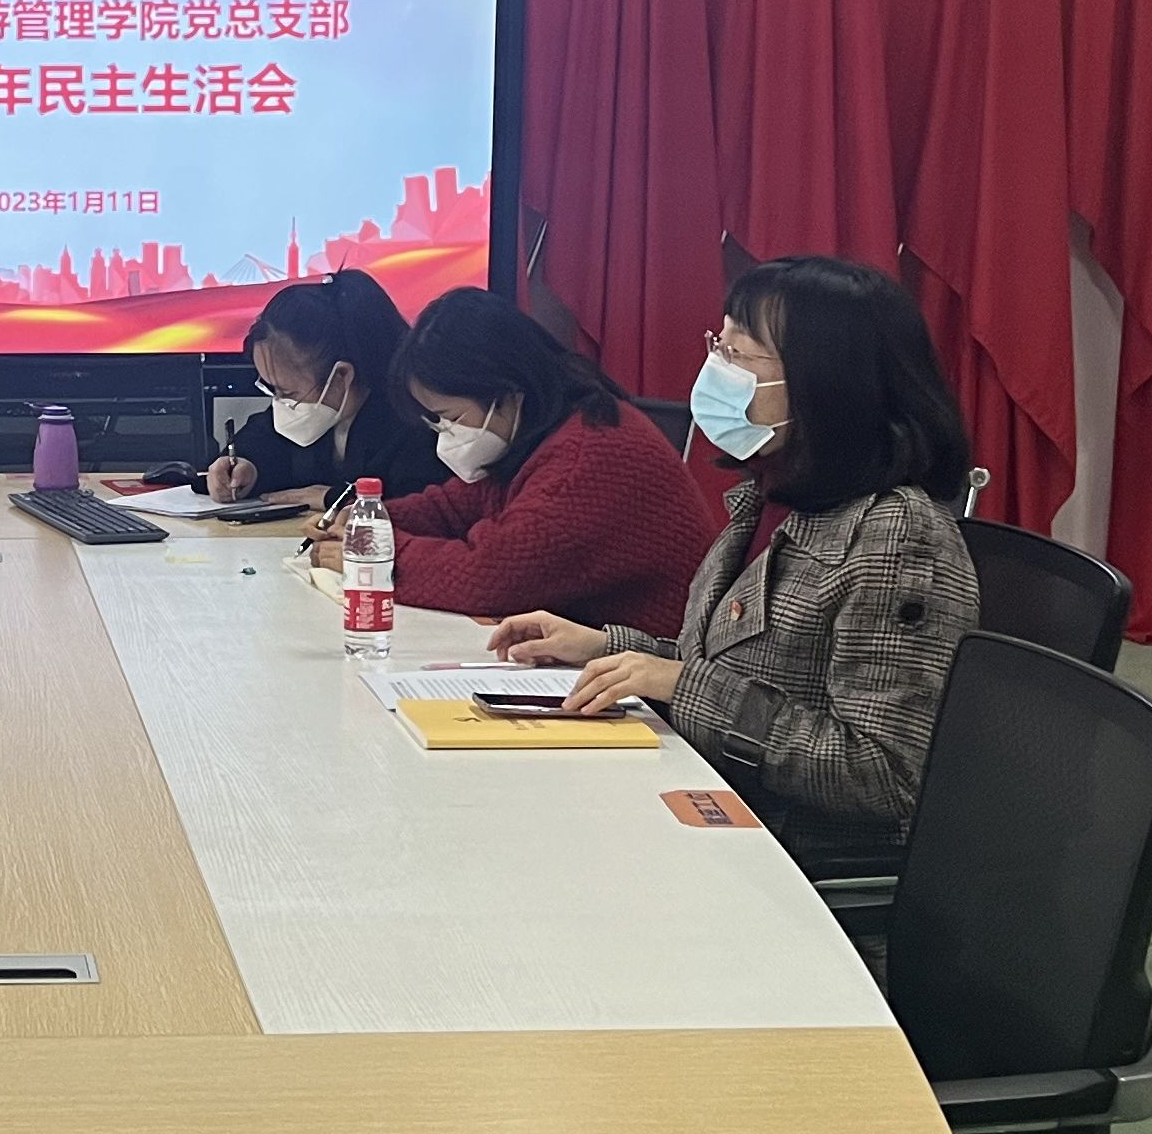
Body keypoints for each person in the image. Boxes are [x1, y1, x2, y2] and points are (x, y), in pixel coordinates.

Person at [491, 256, 978, 881]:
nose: (716, 368)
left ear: (825, 381)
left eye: (740, 354)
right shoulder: (773, 496)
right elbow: (738, 668)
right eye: (718, 345)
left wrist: (678, 684)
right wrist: (607, 647)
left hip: (786, 863)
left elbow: (882, 775)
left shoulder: (897, 536)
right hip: (706, 805)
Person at [314, 286, 714, 635]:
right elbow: (455, 507)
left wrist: (375, 555)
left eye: (450, 417)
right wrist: (367, 521)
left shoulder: (589, 456)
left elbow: (487, 577)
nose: (444, 431)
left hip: (652, 673)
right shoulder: (541, 432)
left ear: (506, 393)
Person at [200, 268, 442, 506]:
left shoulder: (412, 424)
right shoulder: (318, 408)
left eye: (289, 393)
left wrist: (336, 499)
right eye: (273, 390)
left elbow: (416, 506)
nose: (281, 404)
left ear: (341, 376)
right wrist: (246, 465)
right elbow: (265, 438)